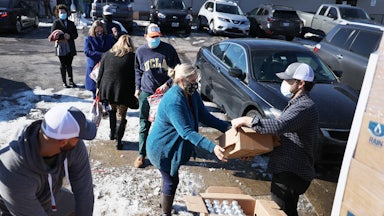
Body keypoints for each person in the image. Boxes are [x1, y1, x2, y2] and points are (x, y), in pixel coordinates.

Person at [231, 62, 319, 216]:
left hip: (292, 173)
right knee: (287, 211)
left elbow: (279, 126)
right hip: (288, 170)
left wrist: (247, 120)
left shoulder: (304, 106)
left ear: (301, 83)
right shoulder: (297, 103)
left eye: (288, 80)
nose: (284, 83)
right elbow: (281, 135)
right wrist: (252, 149)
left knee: (280, 212)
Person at [146, 63, 230, 215]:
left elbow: (205, 116)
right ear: (181, 81)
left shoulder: (191, 94)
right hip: (162, 149)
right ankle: (165, 212)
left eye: (196, 81)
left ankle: (163, 204)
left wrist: (227, 127)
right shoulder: (174, 101)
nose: (195, 85)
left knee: (168, 179)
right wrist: (213, 147)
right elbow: (186, 132)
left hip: (172, 146)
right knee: (171, 181)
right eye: (192, 82)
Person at [0, 105, 96, 215]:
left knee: (76, 205)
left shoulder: (73, 145)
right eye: (77, 137)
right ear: (63, 142)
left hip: (49, 196)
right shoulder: (13, 171)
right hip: (17, 208)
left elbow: (84, 191)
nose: (79, 140)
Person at [134, 23, 181, 168]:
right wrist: (137, 87)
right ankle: (141, 154)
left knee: (166, 123)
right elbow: (137, 71)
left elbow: (177, 69)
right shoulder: (141, 52)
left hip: (165, 93)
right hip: (147, 92)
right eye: (152, 37)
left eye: (157, 37)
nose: (155, 39)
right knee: (144, 123)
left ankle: (164, 153)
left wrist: (168, 83)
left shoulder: (168, 50)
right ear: (145, 37)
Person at [97, 35, 137, 150]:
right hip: (123, 90)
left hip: (108, 89)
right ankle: (119, 141)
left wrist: (98, 88)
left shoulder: (107, 54)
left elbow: (100, 74)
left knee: (112, 111)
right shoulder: (132, 57)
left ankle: (112, 133)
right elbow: (134, 76)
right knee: (122, 115)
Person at [84, 20, 116, 98]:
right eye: (97, 30)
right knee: (94, 86)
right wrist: (102, 54)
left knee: (105, 86)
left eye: (100, 29)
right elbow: (87, 52)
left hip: (106, 64)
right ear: (93, 29)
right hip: (93, 64)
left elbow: (114, 48)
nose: (99, 31)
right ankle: (95, 101)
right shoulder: (89, 39)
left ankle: (105, 103)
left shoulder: (108, 37)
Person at [50, 4, 78, 88]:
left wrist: (70, 36)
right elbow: (53, 35)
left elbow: (75, 34)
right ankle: (64, 81)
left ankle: (71, 80)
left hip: (70, 46)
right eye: (60, 12)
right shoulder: (56, 23)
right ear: (57, 13)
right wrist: (62, 36)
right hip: (61, 46)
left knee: (69, 64)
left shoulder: (71, 23)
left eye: (64, 12)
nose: (62, 13)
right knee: (63, 64)